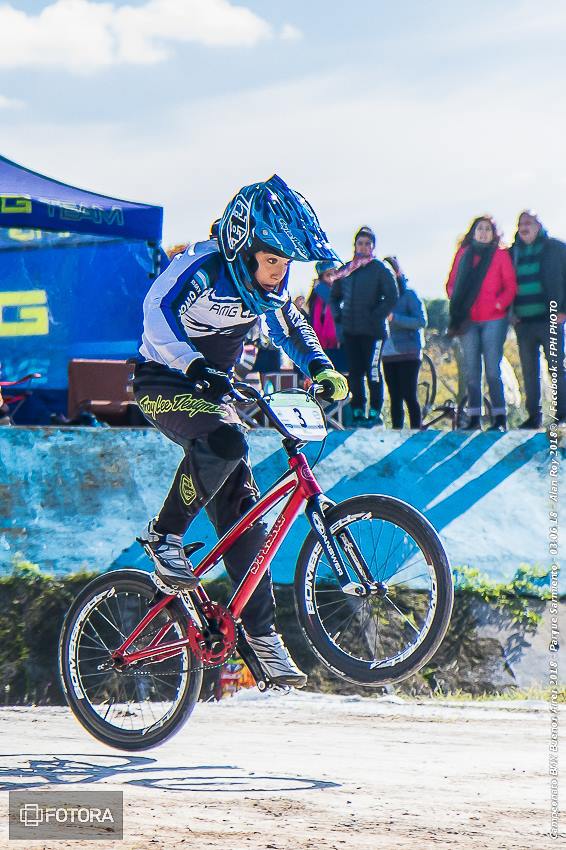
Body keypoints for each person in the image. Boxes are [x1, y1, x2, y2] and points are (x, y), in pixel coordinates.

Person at [133, 174, 348, 688]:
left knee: (246, 511)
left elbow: (291, 327)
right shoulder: (201, 266)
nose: (279, 273)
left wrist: (321, 366)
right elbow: (155, 314)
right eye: (271, 260)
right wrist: (191, 364)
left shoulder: (265, 289)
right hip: (162, 381)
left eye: (285, 264)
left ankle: (262, 640)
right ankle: (165, 537)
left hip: (212, 395)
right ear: (242, 246)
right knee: (228, 441)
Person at [446, 215, 517, 431]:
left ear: (494, 233)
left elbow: (510, 286)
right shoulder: (463, 254)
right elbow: (451, 284)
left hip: (494, 320)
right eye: (480, 228)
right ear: (473, 232)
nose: (483, 232)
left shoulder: (500, 255)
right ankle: (474, 418)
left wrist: (498, 305)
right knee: (472, 370)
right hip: (468, 321)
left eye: (487, 229)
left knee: (493, 371)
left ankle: (499, 418)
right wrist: (459, 303)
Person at [330, 226, 398, 426]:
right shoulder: (347, 269)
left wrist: (375, 315)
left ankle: (375, 412)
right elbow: (334, 297)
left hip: (374, 331)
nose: (364, 247)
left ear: (373, 246)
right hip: (351, 331)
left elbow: (392, 296)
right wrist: (339, 316)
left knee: (373, 371)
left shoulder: (380, 269)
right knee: (356, 372)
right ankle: (358, 411)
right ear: (355, 245)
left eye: (368, 243)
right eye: (360, 243)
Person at [511, 210, 566, 428]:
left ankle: (562, 414)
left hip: (550, 319)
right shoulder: (513, 253)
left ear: (538, 225)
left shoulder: (556, 248)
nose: (524, 227)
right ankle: (534, 416)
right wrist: (510, 313)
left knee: (556, 367)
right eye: (521, 223)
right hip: (523, 322)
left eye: (529, 223)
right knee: (529, 370)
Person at [381, 257, 427, 429]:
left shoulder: (409, 295)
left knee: (409, 394)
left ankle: (416, 431)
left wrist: (395, 318)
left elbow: (421, 321)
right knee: (394, 396)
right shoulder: (379, 297)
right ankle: (396, 433)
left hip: (409, 352)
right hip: (387, 353)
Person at [307, 261, 339, 351]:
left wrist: (320, 288)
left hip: (338, 344)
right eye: (328, 275)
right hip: (321, 345)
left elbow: (334, 303)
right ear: (322, 278)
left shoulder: (342, 292)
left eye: (335, 274)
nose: (332, 278)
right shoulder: (316, 298)